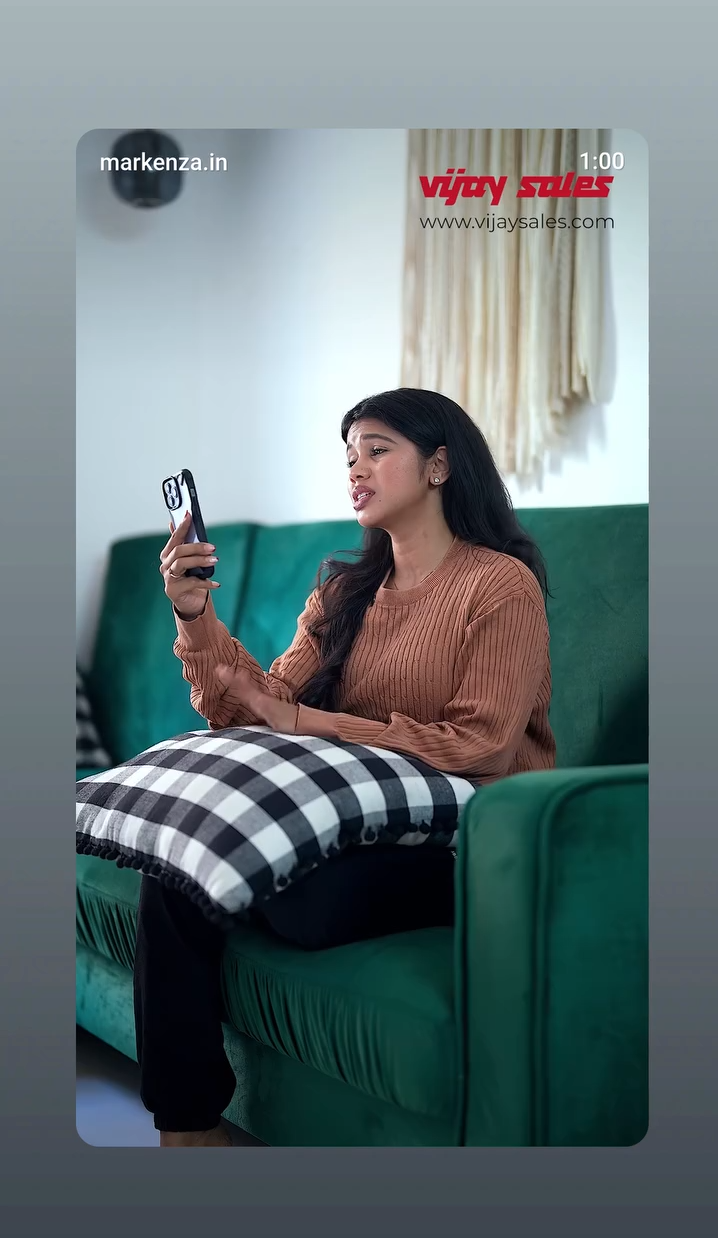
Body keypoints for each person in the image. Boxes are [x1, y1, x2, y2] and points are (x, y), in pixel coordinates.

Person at [133, 389, 556, 1146]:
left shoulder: (500, 586)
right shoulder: (342, 592)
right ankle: (188, 1131)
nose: (356, 469)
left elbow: (482, 745)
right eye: (349, 455)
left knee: (304, 906)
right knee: (174, 866)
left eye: (377, 450)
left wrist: (313, 723)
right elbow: (251, 708)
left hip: (468, 845)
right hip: (360, 824)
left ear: (439, 465)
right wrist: (194, 615)